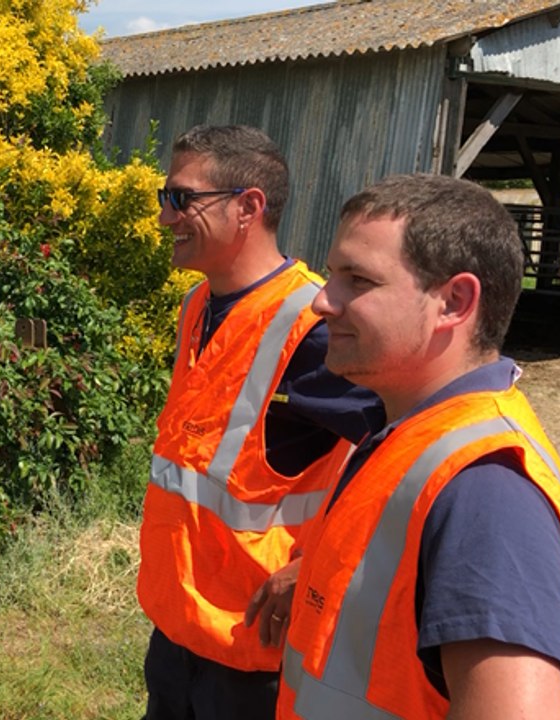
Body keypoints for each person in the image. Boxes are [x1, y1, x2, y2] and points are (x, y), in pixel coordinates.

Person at [277, 173, 560, 719]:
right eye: (331, 275)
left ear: (454, 301)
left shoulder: (488, 495)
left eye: (359, 280)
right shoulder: (406, 432)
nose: (322, 302)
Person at [137, 124, 375, 720]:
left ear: (249, 207)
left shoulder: (313, 326)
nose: (167, 218)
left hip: (255, 656)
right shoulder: (198, 305)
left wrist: (316, 564)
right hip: (179, 628)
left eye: (181, 199)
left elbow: (403, 457)